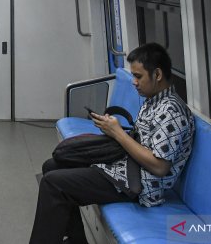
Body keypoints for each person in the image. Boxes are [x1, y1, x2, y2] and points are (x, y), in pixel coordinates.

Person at [29, 43, 195, 244]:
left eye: (138, 76)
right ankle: (75, 239)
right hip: (127, 166)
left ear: (157, 74)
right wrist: (112, 129)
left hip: (140, 184)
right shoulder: (154, 101)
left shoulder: (172, 112)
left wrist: (118, 133)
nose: (134, 82)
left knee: (53, 184)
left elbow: (159, 166)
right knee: (52, 166)